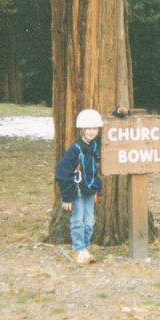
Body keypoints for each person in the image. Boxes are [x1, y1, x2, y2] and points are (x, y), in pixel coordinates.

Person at [55, 109, 103, 264]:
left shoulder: (96, 146)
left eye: (95, 128)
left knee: (90, 222)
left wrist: (96, 190)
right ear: (82, 129)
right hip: (76, 192)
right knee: (78, 221)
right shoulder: (75, 149)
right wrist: (67, 197)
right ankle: (78, 249)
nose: (91, 131)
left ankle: (85, 248)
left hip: (89, 191)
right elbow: (62, 173)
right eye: (88, 128)